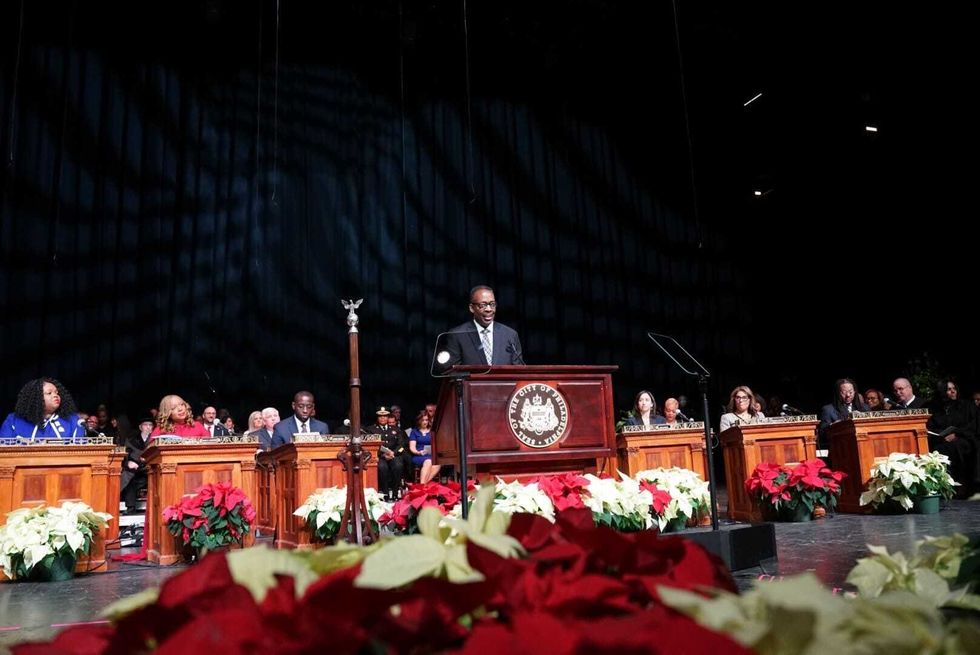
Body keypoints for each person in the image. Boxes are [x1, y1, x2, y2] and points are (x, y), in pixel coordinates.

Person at [440, 285, 524, 368]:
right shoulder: (457, 335)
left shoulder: (510, 335)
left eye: (492, 304)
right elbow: (452, 372)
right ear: (472, 308)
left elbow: (518, 370)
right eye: (482, 305)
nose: (489, 309)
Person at [927, 379, 978, 493]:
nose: (953, 392)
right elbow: (930, 427)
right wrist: (941, 435)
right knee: (938, 450)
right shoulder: (934, 408)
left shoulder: (966, 406)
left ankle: (962, 486)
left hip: (964, 439)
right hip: (941, 441)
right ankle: (943, 486)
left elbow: (972, 426)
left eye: (954, 389)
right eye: (949, 389)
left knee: (956, 447)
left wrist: (957, 434)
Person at [0, 378, 87, 440]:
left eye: (57, 392)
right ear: (36, 398)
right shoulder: (13, 420)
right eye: (49, 393)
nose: (55, 395)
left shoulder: (73, 421)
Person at [368, 407, 408, 499]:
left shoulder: (396, 429)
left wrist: (393, 453)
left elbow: (401, 445)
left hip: (394, 455)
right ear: (377, 418)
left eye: (385, 416)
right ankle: (385, 493)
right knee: (382, 467)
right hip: (380, 456)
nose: (383, 418)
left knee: (398, 466)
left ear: (388, 417)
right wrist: (382, 455)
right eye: (380, 416)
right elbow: (370, 446)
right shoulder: (371, 429)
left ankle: (395, 493)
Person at [818, 378, 869, 448]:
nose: (848, 395)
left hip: (864, 445)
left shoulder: (865, 408)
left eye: (851, 392)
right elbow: (822, 435)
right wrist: (833, 426)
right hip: (841, 447)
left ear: (855, 392)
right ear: (837, 393)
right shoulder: (828, 410)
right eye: (843, 392)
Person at [121, 418, 154, 513]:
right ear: (140, 427)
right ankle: (130, 507)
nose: (148, 427)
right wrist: (128, 463)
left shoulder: (155, 439)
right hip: (135, 469)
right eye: (145, 425)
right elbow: (126, 455)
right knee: (129, 478)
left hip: (150, 468)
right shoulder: (131, 440)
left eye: (150, 425)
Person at [408, 410, 440, 484]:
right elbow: (412, 447)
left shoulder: (432, 431)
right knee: (429, 461)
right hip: (419, 455)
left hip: (431, 454)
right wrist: (418, 452)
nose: (425, 422)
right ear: (419, 421)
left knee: (438, 463)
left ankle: (422, 485)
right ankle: (422, 485)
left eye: (426, 420)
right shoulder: (414, 431)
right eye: (423, 420)